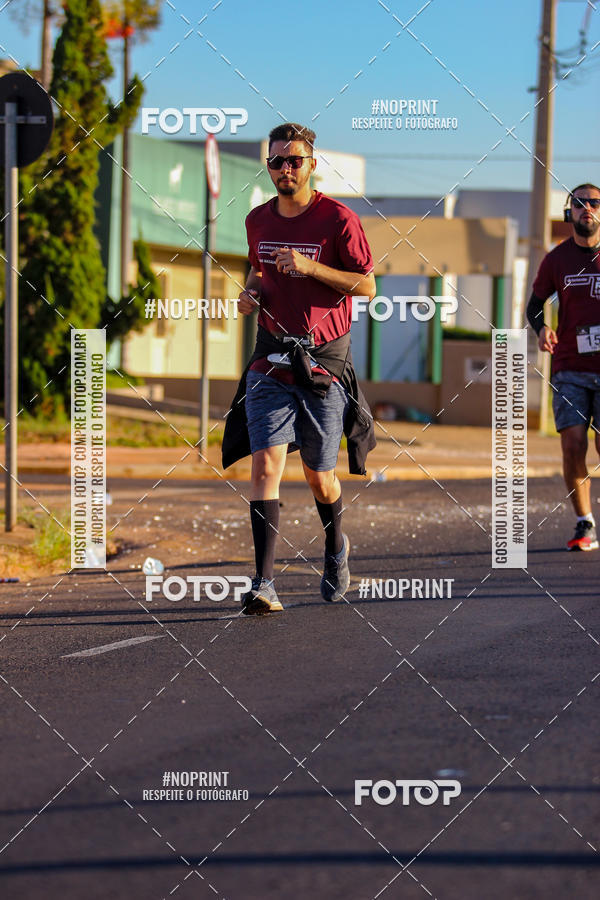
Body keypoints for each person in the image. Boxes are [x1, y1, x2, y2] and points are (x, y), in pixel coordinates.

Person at [222, 122, 376, 614]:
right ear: (267, 167)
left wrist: (311, 268)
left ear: (312, 165)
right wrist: (250, 295)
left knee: (318, 476)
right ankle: (263, 584)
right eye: (276, 162)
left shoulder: (338, 219)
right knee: (266, 463)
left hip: (322, 362)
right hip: (270, 358)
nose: (285, 169)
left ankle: (335, 548)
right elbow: (258, 271)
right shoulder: (257, 221)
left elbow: (367, 286)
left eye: (294, 161)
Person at [527, 182, 600, 550]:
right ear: (568, 212)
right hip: (569, 365)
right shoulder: (557, 260)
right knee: (572, 446)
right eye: (579, 203)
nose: (587, 207)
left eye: (595, 203)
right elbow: (534, 305)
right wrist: (542, 329)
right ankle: (584, 523)